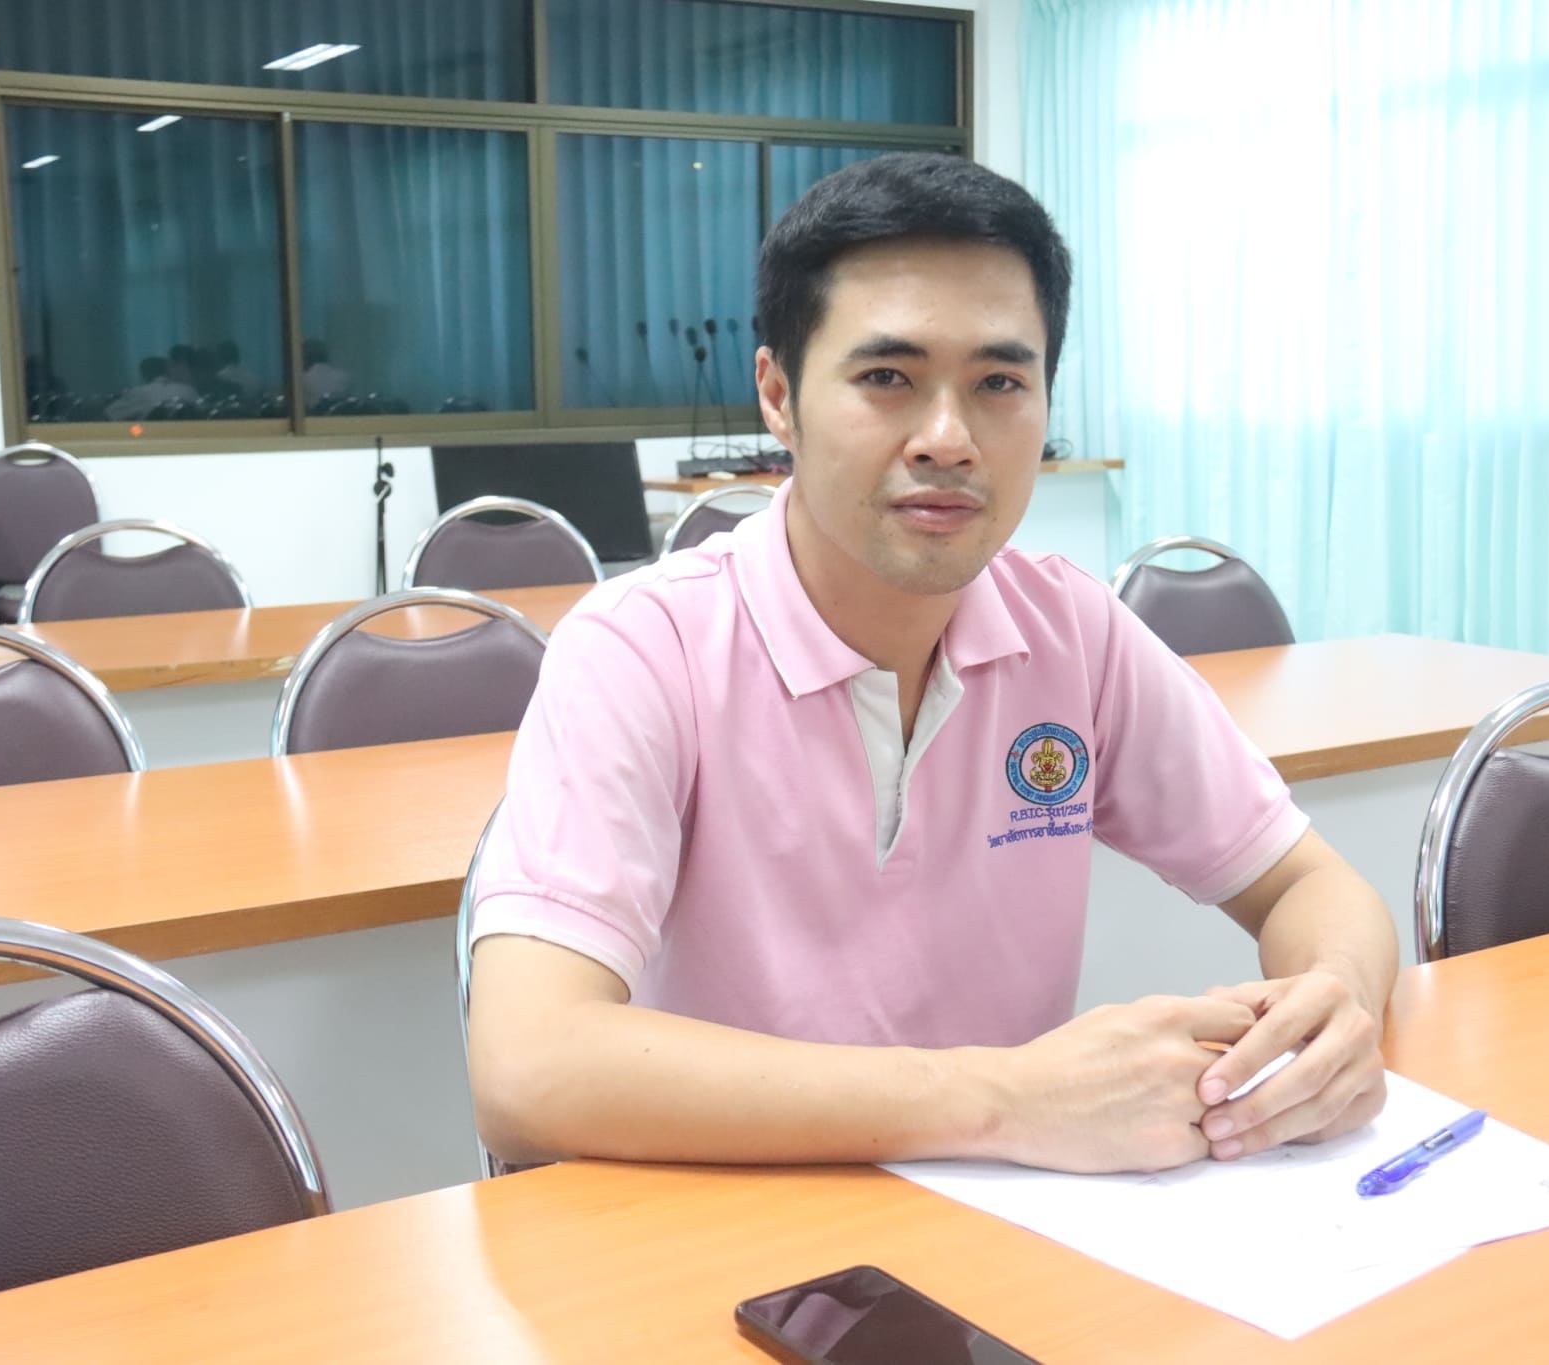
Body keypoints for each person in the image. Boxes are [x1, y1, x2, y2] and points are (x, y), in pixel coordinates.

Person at [466, 154, 1396, 1174]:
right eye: (886, 379)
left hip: (1003, 1225)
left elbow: (1308, 883)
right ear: (777, 394)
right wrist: (1003, 1100)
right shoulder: (646, 650)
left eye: (999, 382)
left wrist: (1334, 1007)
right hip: (727, 1220)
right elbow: (527, 1065)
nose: (948, 440)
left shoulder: (1072, 632)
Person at [104, 355, 199, 421]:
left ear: (144, 374)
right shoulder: (190, 390)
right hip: (188, 437)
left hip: (149, 438)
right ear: (167, 370)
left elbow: (109, 415)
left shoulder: (139, 392)